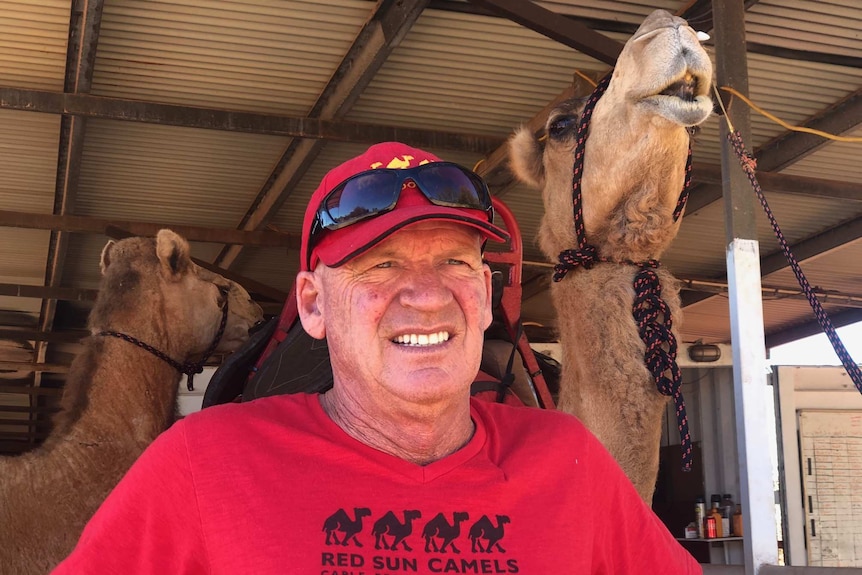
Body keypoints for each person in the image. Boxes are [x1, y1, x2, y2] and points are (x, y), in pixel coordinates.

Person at [54, 142, 701, 573]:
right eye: (381, 265)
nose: (425, 296)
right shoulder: (202, 464)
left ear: (482, 294)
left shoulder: (570, 462)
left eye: (453, 262)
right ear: (312, 304)